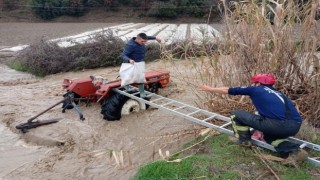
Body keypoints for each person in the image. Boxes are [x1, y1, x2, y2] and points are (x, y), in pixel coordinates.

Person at [197, 74, 308, 164]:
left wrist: (210, 89)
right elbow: (268, 113)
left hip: (278, 125)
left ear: (258, 83)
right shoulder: (279, 94)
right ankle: (294, 150)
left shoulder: (255, 89)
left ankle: (244, 141)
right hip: (295, 126)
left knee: (236, 114)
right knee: (268, 137)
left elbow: (228, 90)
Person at [120, 33, 161, 98]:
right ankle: (127, 88)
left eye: (145, 41)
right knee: (128, 76)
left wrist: (155, 38)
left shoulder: (142, 39)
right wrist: (129, 60)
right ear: (137, 39)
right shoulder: (130, 45)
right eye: (142, 41)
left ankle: (142, 93)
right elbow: (123, 55)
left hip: (140, 62)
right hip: (131, 63)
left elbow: (147, 37)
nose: (144, 43)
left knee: (140, 77)